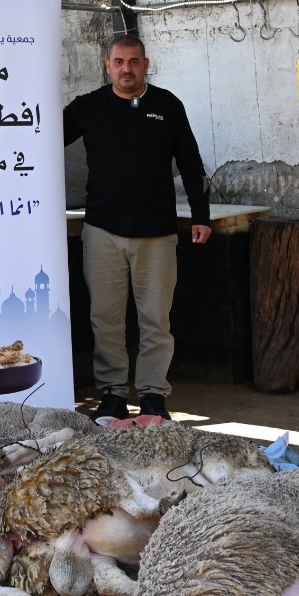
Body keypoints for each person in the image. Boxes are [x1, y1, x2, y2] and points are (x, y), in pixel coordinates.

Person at [63, 34, 211, 422]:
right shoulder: (88, 107)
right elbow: (38, 137)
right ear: (107, 65)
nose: (126, 69)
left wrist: (201, 215)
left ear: (146, 65)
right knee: (106, 320)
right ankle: (112, 393)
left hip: (156, 234)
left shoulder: (167, 105)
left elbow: (191, 163)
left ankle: (152, 394)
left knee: (155, 321)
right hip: (102, 233)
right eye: (118, 62)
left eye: (134, 62)